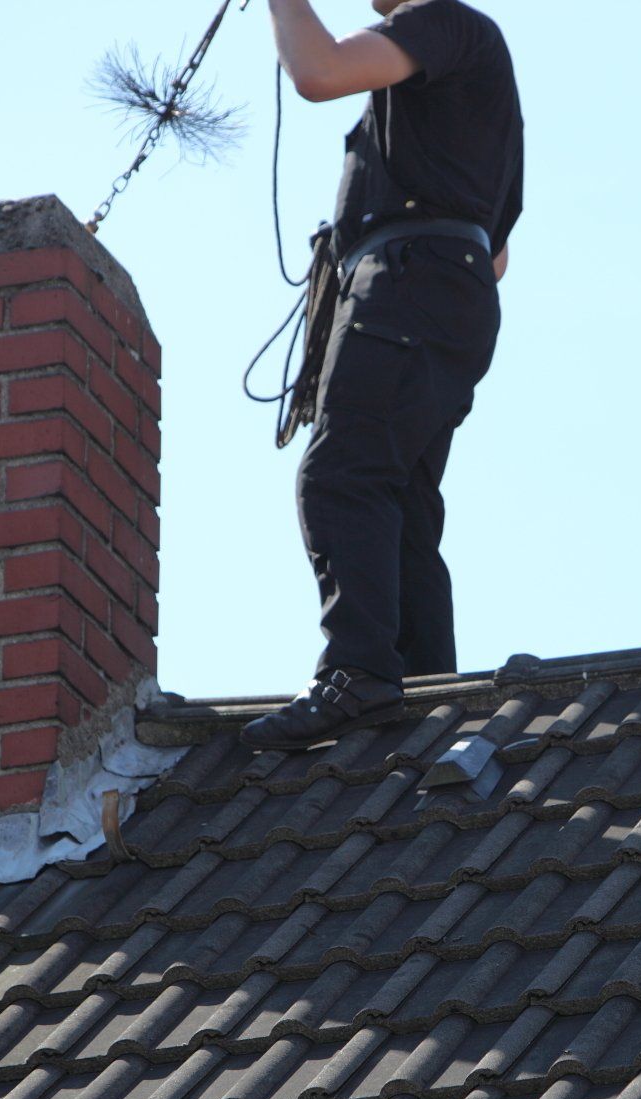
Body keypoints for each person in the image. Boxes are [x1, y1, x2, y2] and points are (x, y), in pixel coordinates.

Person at [242, 0, 524, 751]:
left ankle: (359, 672)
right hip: (449, 290)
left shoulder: (444, 23)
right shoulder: (472, 78)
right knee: (400, 501)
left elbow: (318, 71)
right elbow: (497, 252)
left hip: (409, 283)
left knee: (341, 477)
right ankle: (426, 690)